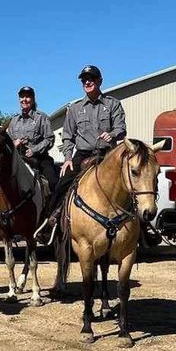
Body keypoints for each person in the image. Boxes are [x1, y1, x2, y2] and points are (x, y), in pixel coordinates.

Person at [34, 65, 161, 245]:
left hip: (108, 155)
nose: (87, 82)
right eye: (84, 79)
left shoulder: (112, 104)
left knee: (129, 184)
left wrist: (113, 134)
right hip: (83, 154)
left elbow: (121, 129)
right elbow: (68, 136)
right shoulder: (75, 108)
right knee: (63, 184)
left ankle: (143, 226)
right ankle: (50, 223)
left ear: (99, 81)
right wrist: (68, 158)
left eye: (91, 79)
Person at [6, 86, 58, 192]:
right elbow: (7, 142)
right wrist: (14, 143)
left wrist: (34, 150)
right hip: (19, 159)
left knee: (53, 182)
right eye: (22, 97)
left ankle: (54, 208)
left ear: (33, 99)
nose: (24, 99)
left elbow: (49, 139)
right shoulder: (13, 120)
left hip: (40, 159)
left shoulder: (41, 117)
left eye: (27, 97)